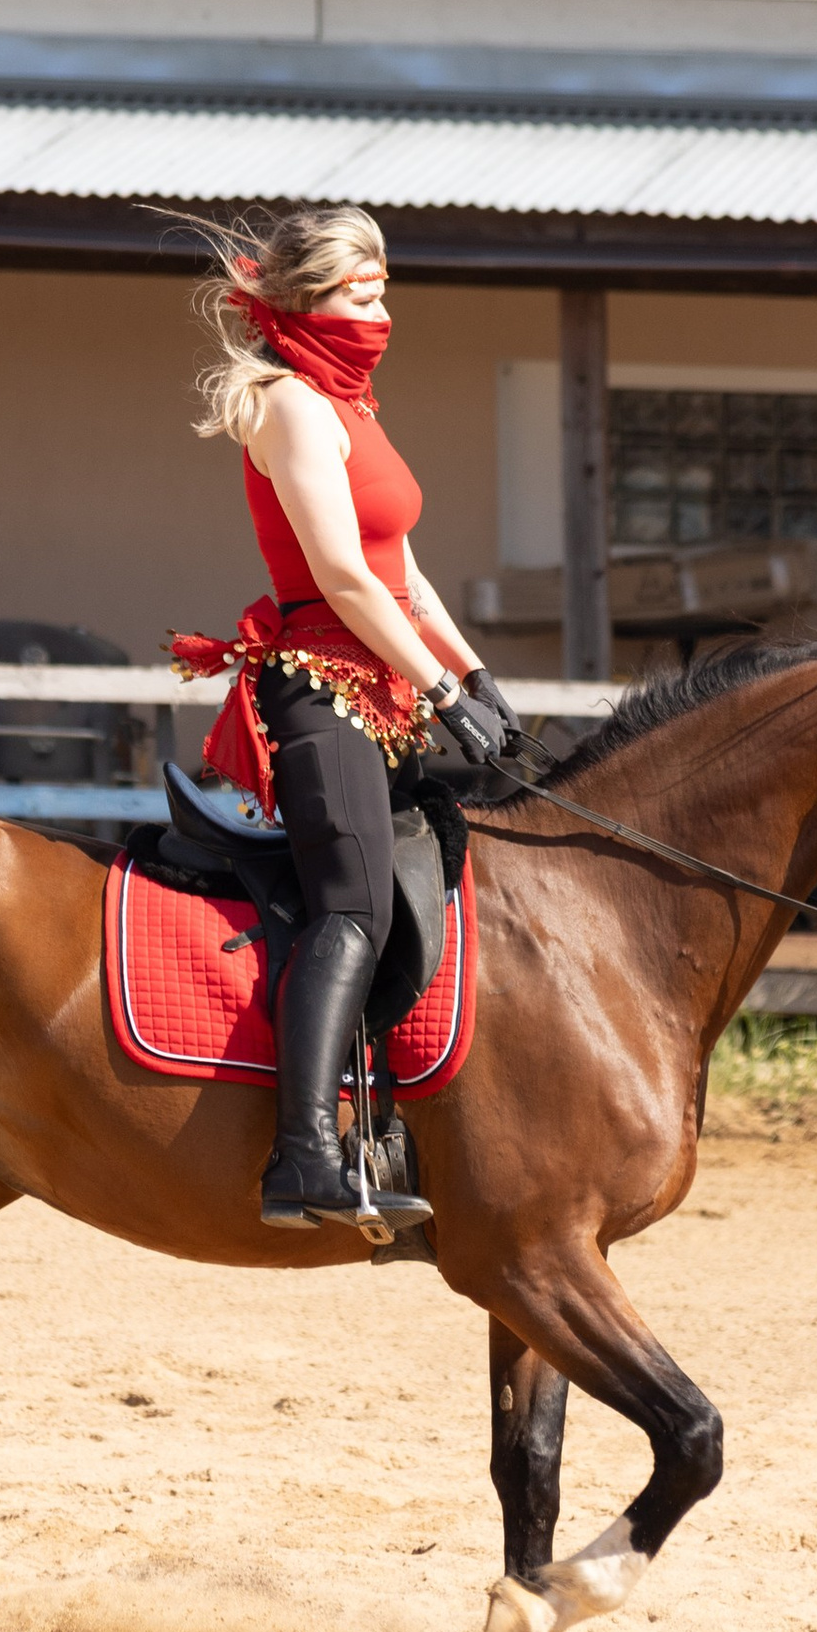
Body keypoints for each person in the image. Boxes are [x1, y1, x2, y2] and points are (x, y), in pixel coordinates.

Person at [171, 205, 524, 1230]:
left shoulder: (352, 404)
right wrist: (443, 689)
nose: (381, 309)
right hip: (320, 687)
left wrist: (473, 671)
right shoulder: (290, 405)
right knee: (353, 906)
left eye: (381, 288)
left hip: (387, 689)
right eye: (360, 292)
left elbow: (401, 572)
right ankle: (302, 1159)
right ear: (307, 298)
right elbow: (340, 579)